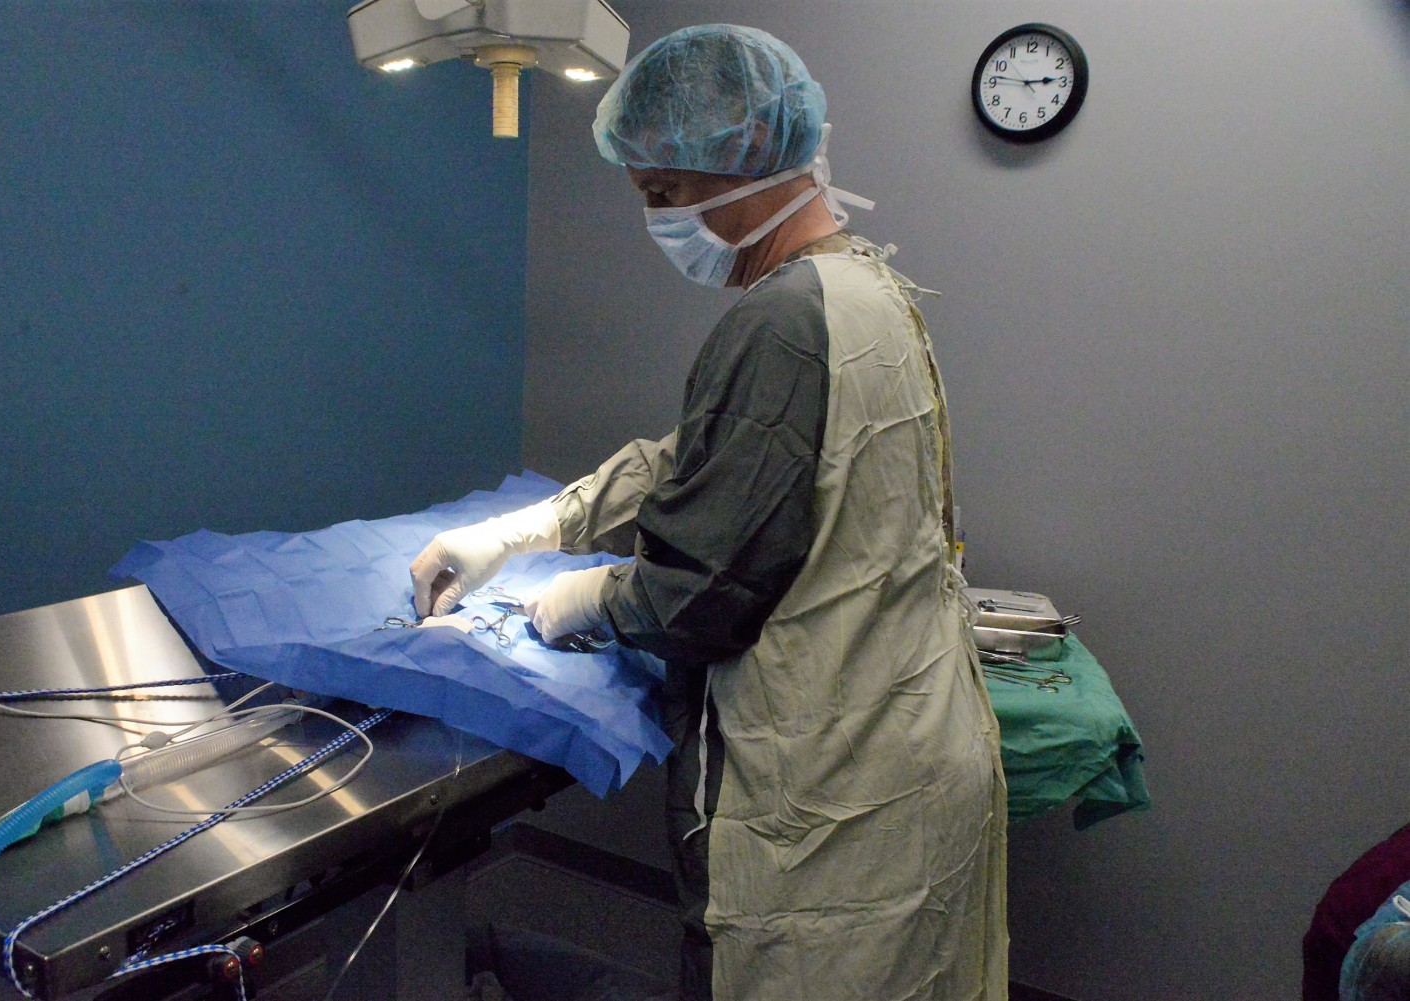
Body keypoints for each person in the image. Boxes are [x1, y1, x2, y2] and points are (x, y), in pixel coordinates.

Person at [412, 24, 1008, 1001]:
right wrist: (530, 529)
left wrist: (590, 597)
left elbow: (702, 595)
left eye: (664, 196)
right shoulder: (867, 290)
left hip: (833, 812)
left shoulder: (779, 324)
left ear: (747, 164)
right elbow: (711, 457)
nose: (656, 223)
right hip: (914, 754)